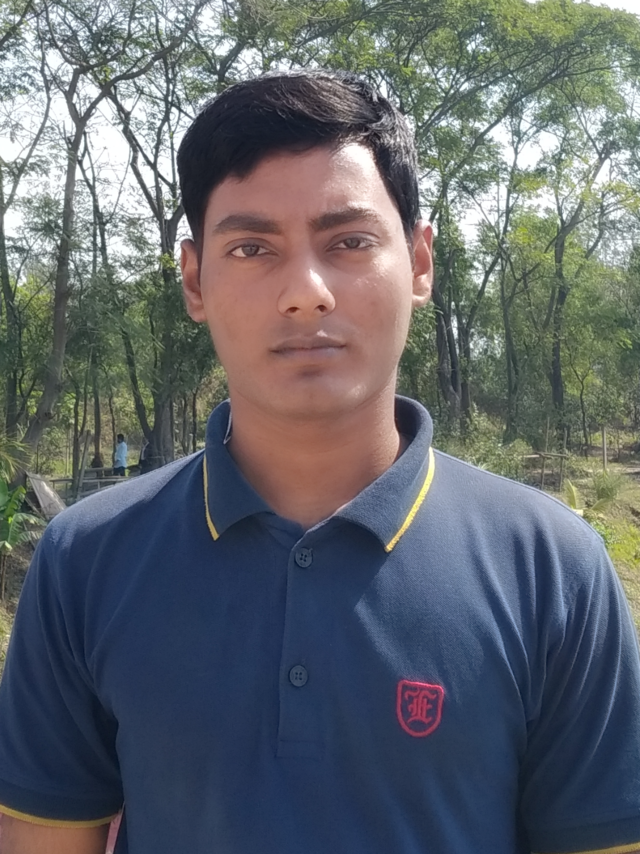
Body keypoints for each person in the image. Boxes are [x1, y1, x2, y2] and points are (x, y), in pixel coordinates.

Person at [0, 71, 639, 854]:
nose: (305, 293)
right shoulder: (87, 559)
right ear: (195, 279)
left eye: (349, 242)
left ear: (420, 262)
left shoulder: (550, 568)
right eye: (252, 248)